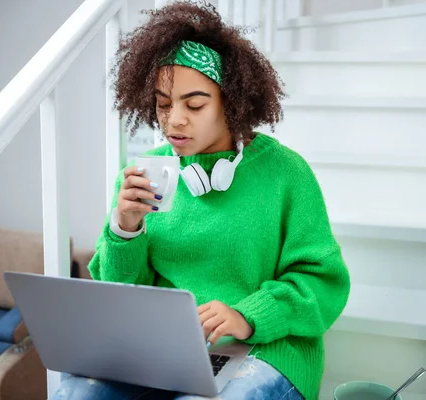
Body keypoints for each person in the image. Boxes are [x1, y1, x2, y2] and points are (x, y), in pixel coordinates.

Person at [52, 2, 350, 399]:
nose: (174, 120)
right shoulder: (149, 173)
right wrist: (125, 228)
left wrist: (249, 316)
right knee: (77, 392)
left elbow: (322, 281)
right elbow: (124, 296)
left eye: (194, 105)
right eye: (163, 104)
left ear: (233, 101)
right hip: (164, 350)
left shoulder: (285, 174)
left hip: (262, 348)